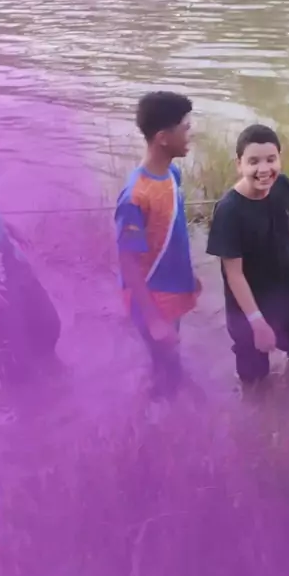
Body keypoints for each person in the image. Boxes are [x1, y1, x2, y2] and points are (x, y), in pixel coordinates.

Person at [206, 124, 289, 386]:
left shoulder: (283, 186)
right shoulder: (228, 211)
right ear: (239, 164)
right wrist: (257, 323)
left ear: (279, 159)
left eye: (271, 160)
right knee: (255, 383)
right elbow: (234, 274)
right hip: (248, 311)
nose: (264, 169)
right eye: (253, 162)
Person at [0, 98, 62, 390]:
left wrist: (5, 225)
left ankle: (56, 383)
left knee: (47, 326)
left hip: (6, 257)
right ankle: (23, 405)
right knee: (13, 355)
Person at [115, 91, 200, 397]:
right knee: (166, 365)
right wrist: (153, 319)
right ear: (163, 138)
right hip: (152, 297)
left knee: (169, 357)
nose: (190, 134)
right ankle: (159, 406)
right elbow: (127, 260)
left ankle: (168, 392)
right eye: (185, 128)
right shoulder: (135, 197)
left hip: (172, 288)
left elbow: (170, 233)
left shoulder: (172, 174)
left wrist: (188, 274)